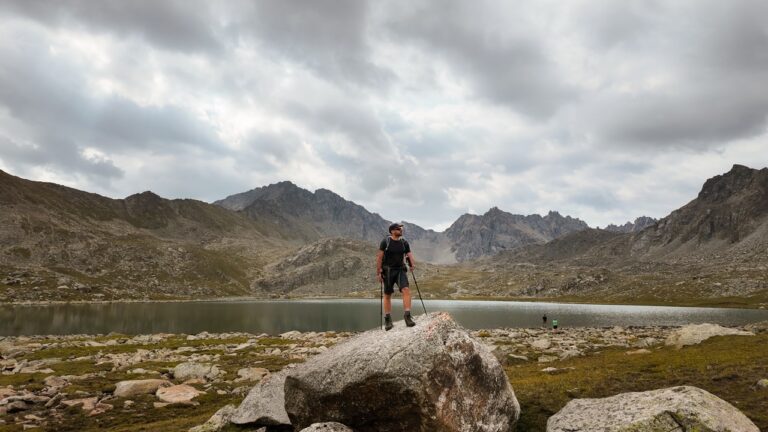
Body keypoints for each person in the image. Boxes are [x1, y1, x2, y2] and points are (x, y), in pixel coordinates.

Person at [376, 223, 417, 331]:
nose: (401, 230)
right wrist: (379, 272)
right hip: (388, 271)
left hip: (400, 270)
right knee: (387, 294)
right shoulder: (386, 242)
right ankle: (388, 319)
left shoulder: (404, 242)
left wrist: (412, 264)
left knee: (406, 290)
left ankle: (407, 316)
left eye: (401, 229)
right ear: (392, 231)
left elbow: (409, 254)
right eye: (398, 229)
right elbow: (379, 257)